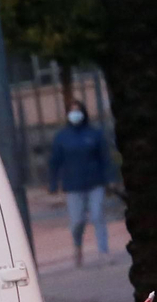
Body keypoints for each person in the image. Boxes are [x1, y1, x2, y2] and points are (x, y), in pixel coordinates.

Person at [48, 100, 112, 267]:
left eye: (78, 110)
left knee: (98, 216)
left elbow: (104, 158)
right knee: (77, 221)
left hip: (95, 183)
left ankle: (103, 251)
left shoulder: (94, 134)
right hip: (73, 186)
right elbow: (55, 161)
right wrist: (53, 183)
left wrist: (109, 180)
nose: (75, 114)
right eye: (72, 110)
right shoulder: (62, 137)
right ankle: (78, 248)